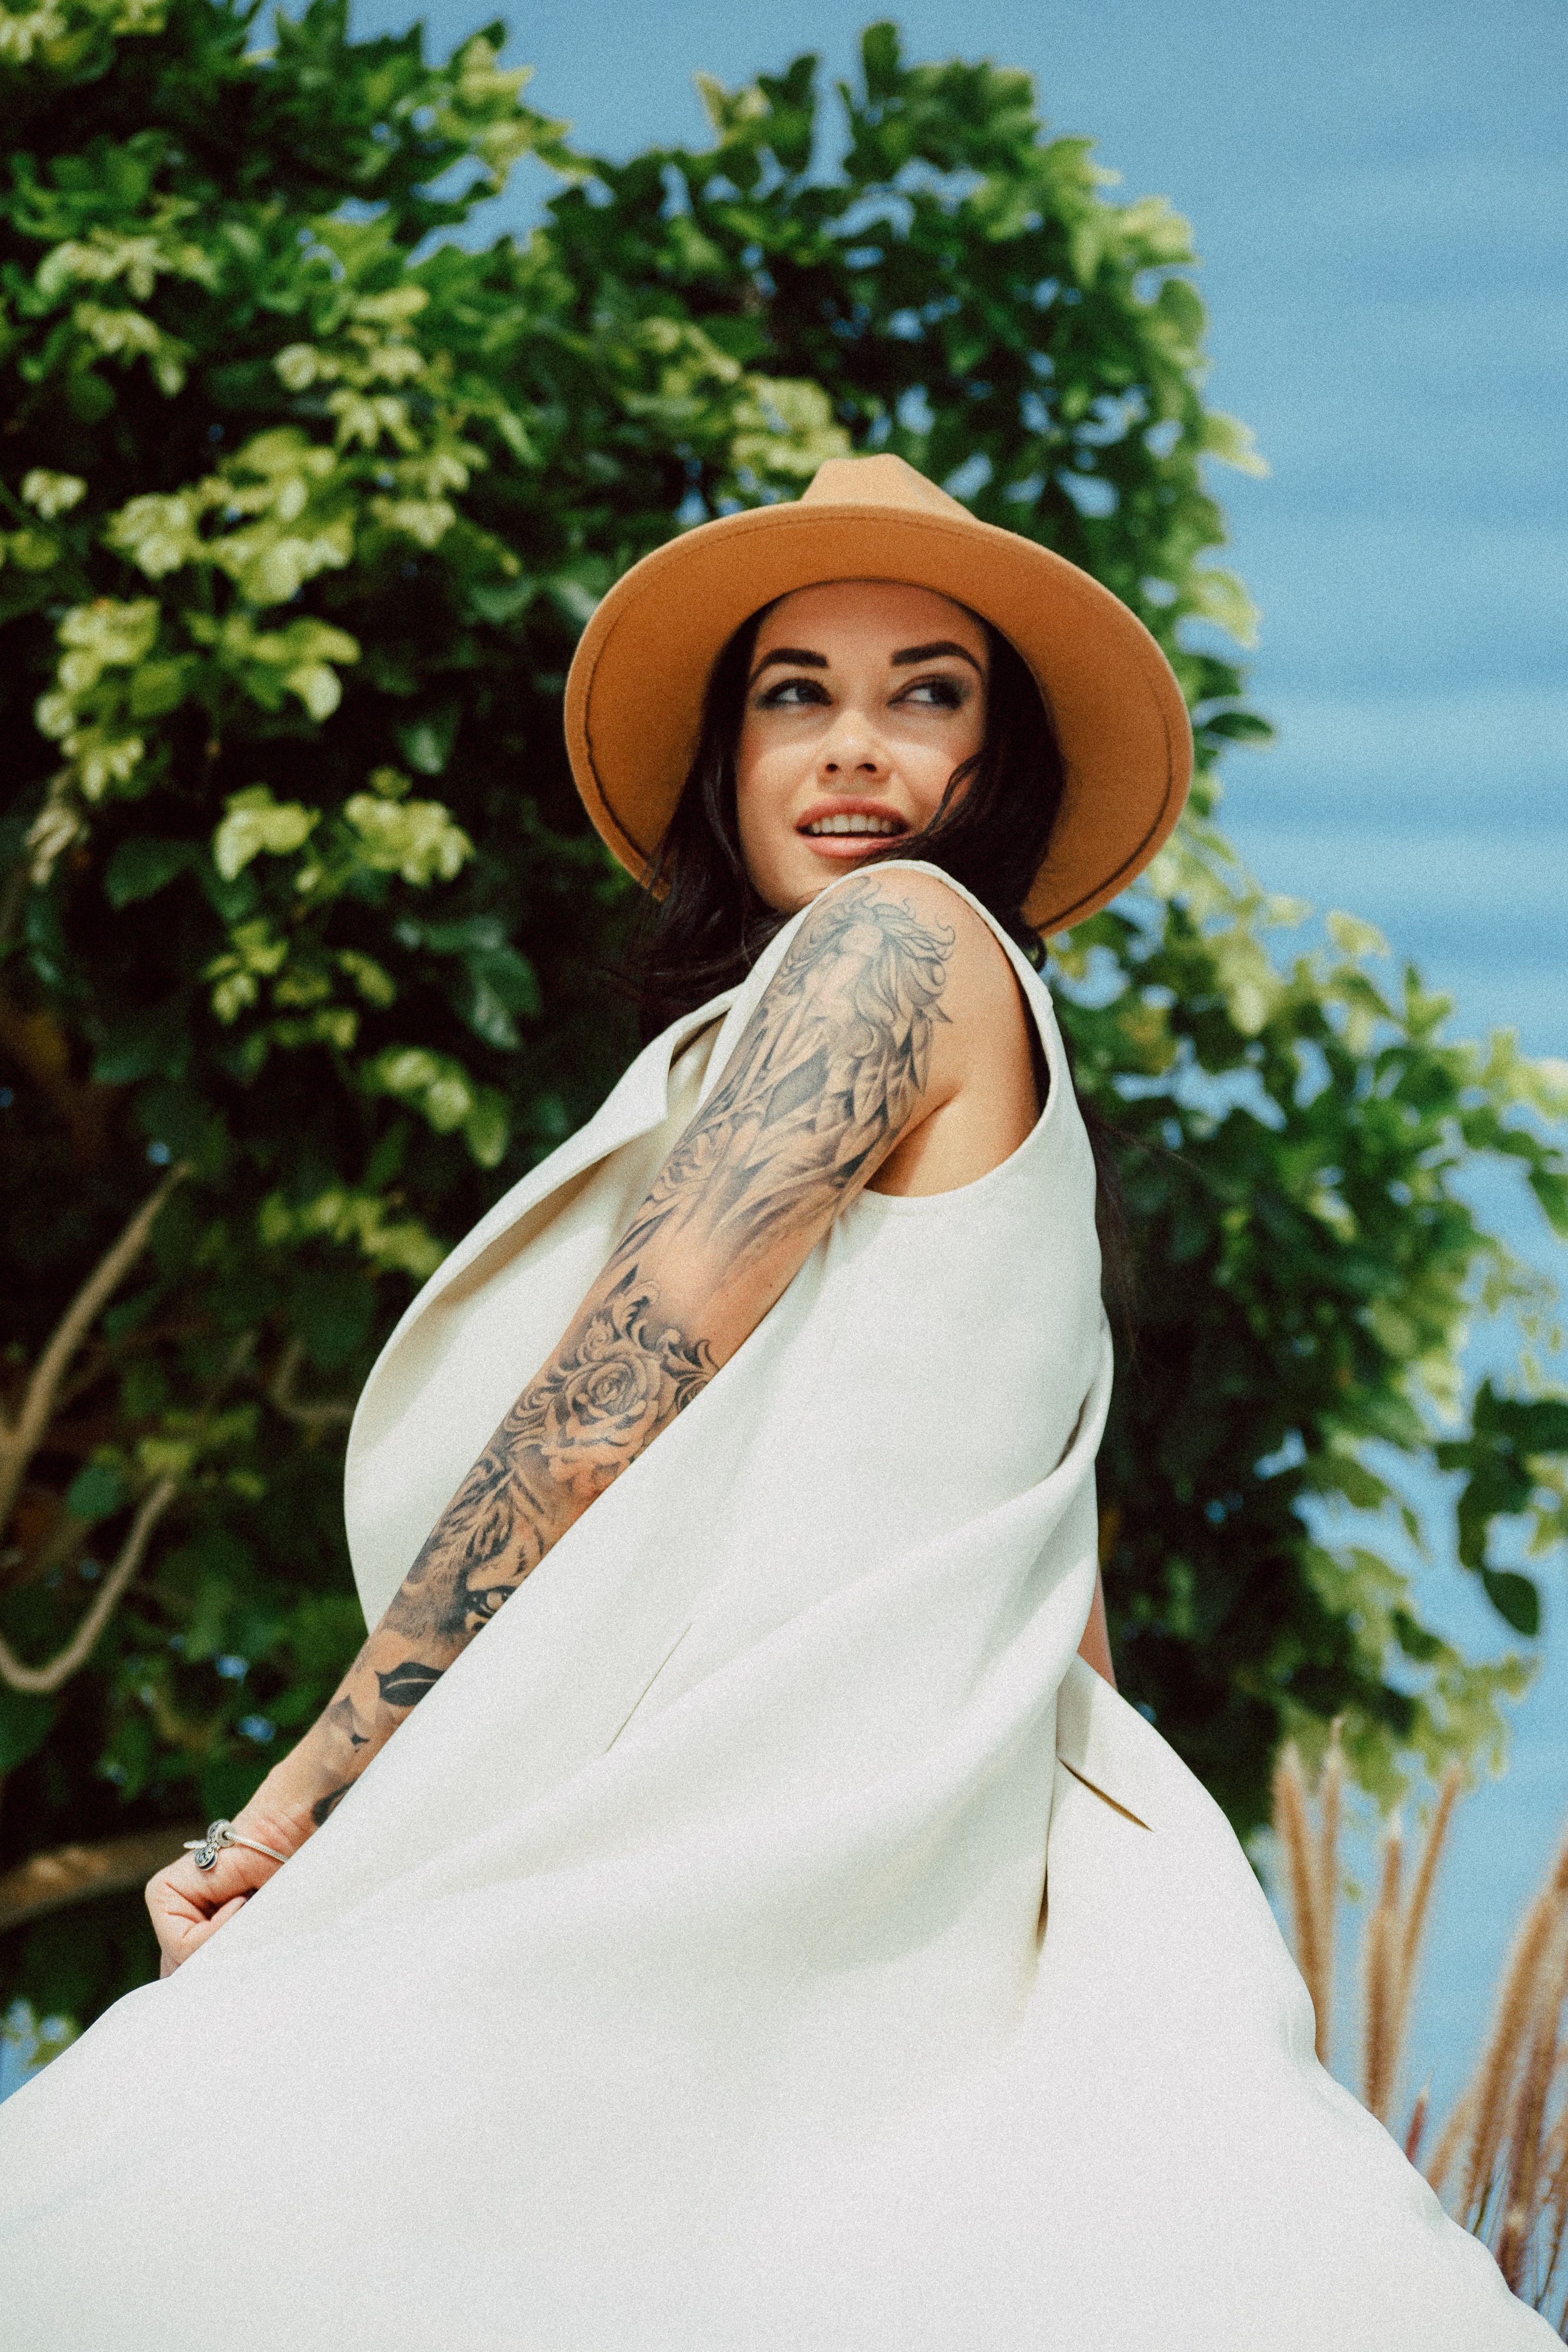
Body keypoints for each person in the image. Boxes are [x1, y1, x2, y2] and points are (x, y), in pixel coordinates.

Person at [0, 456, 1547, 2348]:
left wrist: (286, 1817)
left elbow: (611, 1387)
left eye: (929, 691)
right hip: (837, 1877)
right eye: (792, 693)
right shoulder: (893, 1031)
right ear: (726, 758)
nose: (854, 751)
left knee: (135, 2218)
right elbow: (1050, 1563)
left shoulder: (896, 944)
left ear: (1006, 759)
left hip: (743, 1834)